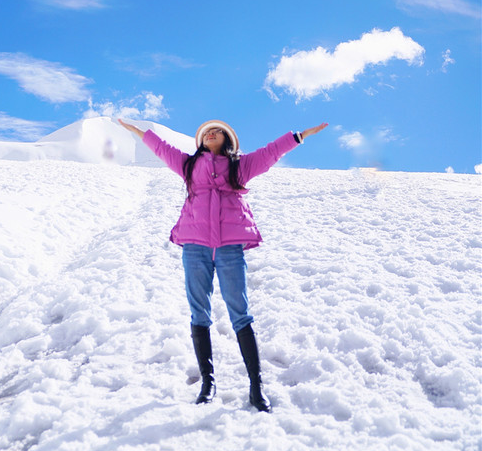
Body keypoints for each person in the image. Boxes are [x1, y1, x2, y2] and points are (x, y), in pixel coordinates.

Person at [118, 116, 327, 412]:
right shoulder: (189, 166)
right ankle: (208, 383)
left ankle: (256, 387)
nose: (211, 133)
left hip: (229, 248)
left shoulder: (240, 167)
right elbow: (162, 148)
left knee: (240, 313)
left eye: (217, 131)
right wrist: (139, 132)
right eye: (207, 132)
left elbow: (270, 153)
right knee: (199, 312)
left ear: (226, 139)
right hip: (195, 247)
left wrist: (298, 136)